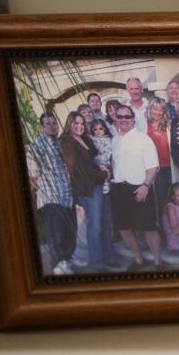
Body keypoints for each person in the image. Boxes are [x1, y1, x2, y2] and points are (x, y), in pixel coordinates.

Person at [110, 105, 163, 271]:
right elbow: (114, 163)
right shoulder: (115, 139)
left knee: (149, 228)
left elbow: (153, 167)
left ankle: (158, 262)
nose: (123, 120)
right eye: (120, 117)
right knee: (123, 228)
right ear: (116, 119)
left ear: (133, 118)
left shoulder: (143, 139)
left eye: (127, 116)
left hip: (140, 187)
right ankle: (139, 260)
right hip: (119, 189)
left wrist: (146, 186)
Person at [58, 112, 111, 271]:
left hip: (100, 184)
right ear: (69, 124)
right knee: (95, 226)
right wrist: (103, 174)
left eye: (82, 123)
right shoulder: (66, 141)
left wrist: (103, 168)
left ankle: (109, 257)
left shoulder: (85, 138)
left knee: (105, 223)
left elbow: (94, 158)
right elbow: (77, 169)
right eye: (76, 123)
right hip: (88, 188)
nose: (80, 126)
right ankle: (97, 262)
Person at [27, 112, 76, 275]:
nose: (52, 126)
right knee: (56, 234)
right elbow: (33, 176)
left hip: (67, 195)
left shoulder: (59, 142)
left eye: (54, 123)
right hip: (51, 198)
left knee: (70, 231)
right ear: (41, 127)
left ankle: (67, 261)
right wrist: (47, 193)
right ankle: (58, 266)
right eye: (47, 124)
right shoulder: (36, 146)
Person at [145, 97, 176, 211]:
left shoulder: (169, 125)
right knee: (159, 198)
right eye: (155, 109)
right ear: (150, 109)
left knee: (172, 197)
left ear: (164, 112)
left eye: (160, 110)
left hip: (169, 166)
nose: (157, 112)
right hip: (154, 168)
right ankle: (162, 225)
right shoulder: (143, 125)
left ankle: (172, 223)